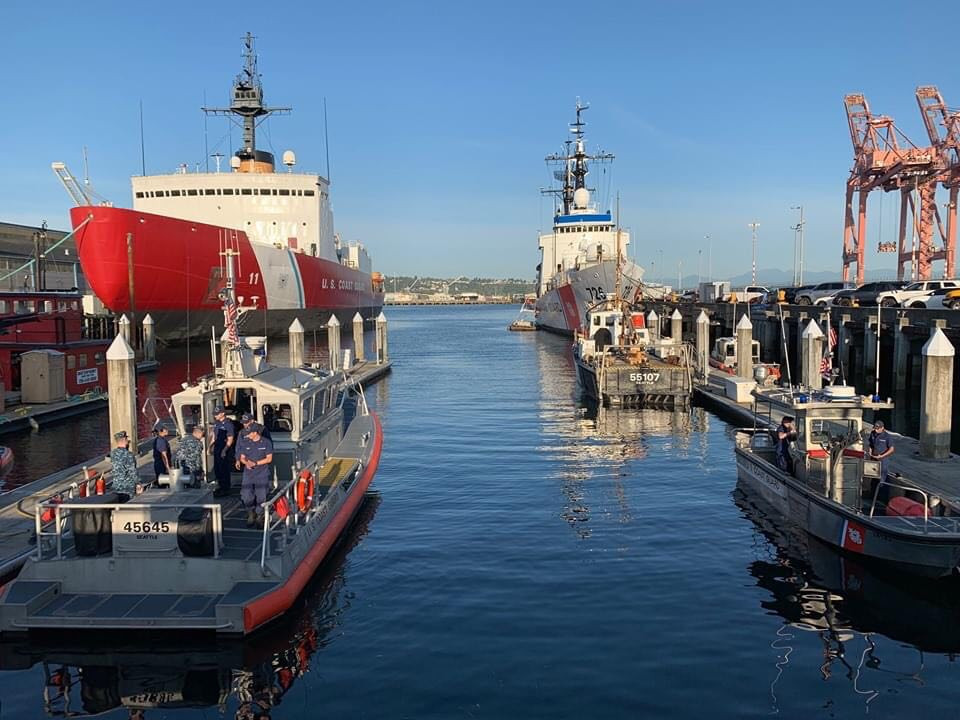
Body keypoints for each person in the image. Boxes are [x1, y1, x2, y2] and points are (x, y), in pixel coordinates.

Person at [239, 423, 273, 526]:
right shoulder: (246, 443)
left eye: (249, 433)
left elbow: (269, 459)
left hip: (261, 473)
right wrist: (246, 463)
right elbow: (242, 457)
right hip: (248, 473)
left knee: (261, 496)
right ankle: (250, 512)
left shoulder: (266, 443)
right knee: (246, 495)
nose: (247, 435)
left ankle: (259, 515)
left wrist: (256, 463)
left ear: (255, 433)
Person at [211, 406, 235, 497]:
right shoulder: (217, 423)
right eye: (214, 414)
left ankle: (225, 488)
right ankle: (220, 486)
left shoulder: (228, 424)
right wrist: (210, 447)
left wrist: (225, 450)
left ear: (222, 414)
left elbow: (230, 438)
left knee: (224, 469)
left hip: (224, 448)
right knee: (217, 469)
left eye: (217, 414)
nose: (215, 416)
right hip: (217, 447)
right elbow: (214, 436)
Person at [109, 430, 140, 502]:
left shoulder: (113, 453)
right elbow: (132, 471)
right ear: (123, 440)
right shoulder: (128, 455)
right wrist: (138, 483)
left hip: (116, 485)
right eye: (126, 439)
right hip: (127, 486)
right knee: (128, 506)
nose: (127, 440)